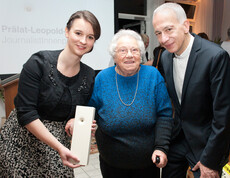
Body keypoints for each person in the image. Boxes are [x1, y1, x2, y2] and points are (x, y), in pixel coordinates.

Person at [0, 10, 101, 177]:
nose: (83, 41)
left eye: (90, 37)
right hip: (22, 142)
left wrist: (76, 119)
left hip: (58, 145)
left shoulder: (89, 75)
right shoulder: (38, 63)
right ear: (67, 31)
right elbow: (26, 113)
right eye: (78, 33)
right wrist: (59, 147)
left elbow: (80, 110)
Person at [152, 2, 230, 178]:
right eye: (158, 33)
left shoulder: (215, 56)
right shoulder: (165, 57)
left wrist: (211, 160)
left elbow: (223, 115)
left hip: (206, 145)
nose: (163, 39)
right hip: (178, 140)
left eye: (169, 29)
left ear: (186, 25)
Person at [84, 29, 173, 178]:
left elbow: (164, 114)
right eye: (123, 50)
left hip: (147, 163)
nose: (130, 55)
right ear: (114, 55)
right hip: (111, 164)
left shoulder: (153, 76)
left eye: (134, 50)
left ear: (141, 53)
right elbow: (89, 110)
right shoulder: (102, 78)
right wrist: (81, 122)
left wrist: (161, 147)